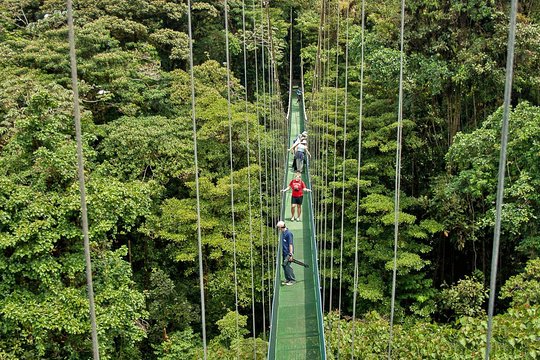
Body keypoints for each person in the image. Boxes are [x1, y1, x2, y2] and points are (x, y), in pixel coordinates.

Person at [277, 220, 295, 285]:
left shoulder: (288, 234)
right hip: (284, 252)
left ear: (281, 227)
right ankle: (287, 279)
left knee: (287, 265)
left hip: (288, 253)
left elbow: (290, 244)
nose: (278, 229)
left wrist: (291, 254)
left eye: (279, 228)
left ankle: (292, 279)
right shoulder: (283, 233)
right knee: (284, 265)